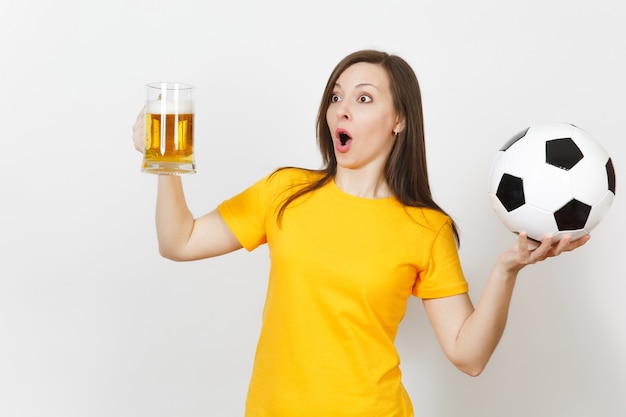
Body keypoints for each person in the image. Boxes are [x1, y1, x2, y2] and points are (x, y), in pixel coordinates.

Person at [132, 50, 589, 417]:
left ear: (400, 120)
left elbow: (468, 357)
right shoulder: (285, 192)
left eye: (363, 98)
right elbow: (180, 242)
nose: (341, 110)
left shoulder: (427, 228)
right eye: (335, 97)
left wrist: (507, 270)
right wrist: (164, 160)